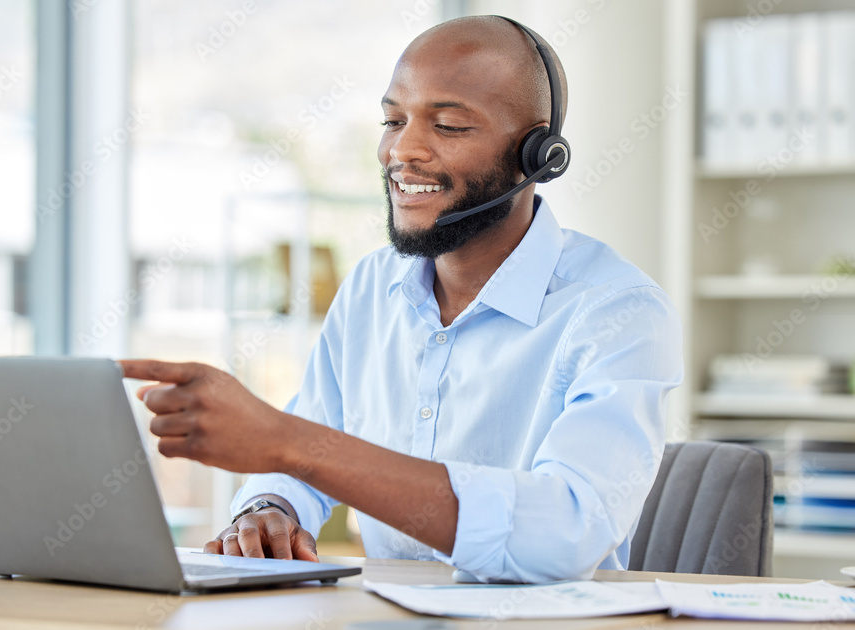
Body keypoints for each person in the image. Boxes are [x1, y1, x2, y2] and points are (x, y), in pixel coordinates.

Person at [120, 15, 682, 583]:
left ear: (537, 154)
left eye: (447, 126)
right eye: (393, 120)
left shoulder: (618, 311)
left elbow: (567, 532)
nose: (402, 150)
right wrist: (271, 509)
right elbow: (304, 451)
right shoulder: (371, 287)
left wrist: (289, 444)